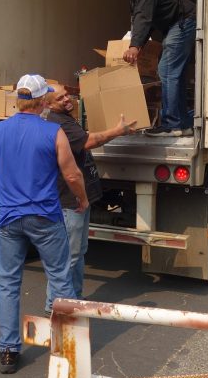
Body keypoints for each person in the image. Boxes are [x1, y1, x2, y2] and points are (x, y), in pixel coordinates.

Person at [0, 74, 89, 375]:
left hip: (8, 218)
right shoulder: (54, 132)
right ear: (43, 101)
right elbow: (71, 175)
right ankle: (65, 347)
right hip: (44, 217)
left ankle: (8, 351)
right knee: (59, 277)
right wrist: (82, 200)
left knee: (8, 283)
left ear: (18, 99)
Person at [43, 85, 138, 314]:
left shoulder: (66, 118)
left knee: (79, 252)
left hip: (77, 199)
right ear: (47, 104)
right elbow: (89, 142)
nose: (67, 99)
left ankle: (75, 299)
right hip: (70, 200)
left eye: (67, 94)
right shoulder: (59, 123)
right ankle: (54, 305)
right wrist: (118, 131)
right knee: (68, 256)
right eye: (60, 97)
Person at [107, 0, 196, 137]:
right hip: (179, 23)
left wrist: (134, 46)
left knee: (167, 70)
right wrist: (139, 44)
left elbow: (143, 16)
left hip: (182, 22)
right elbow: (149, 20)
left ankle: (172, 124)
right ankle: (183, 124)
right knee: (173, 73)